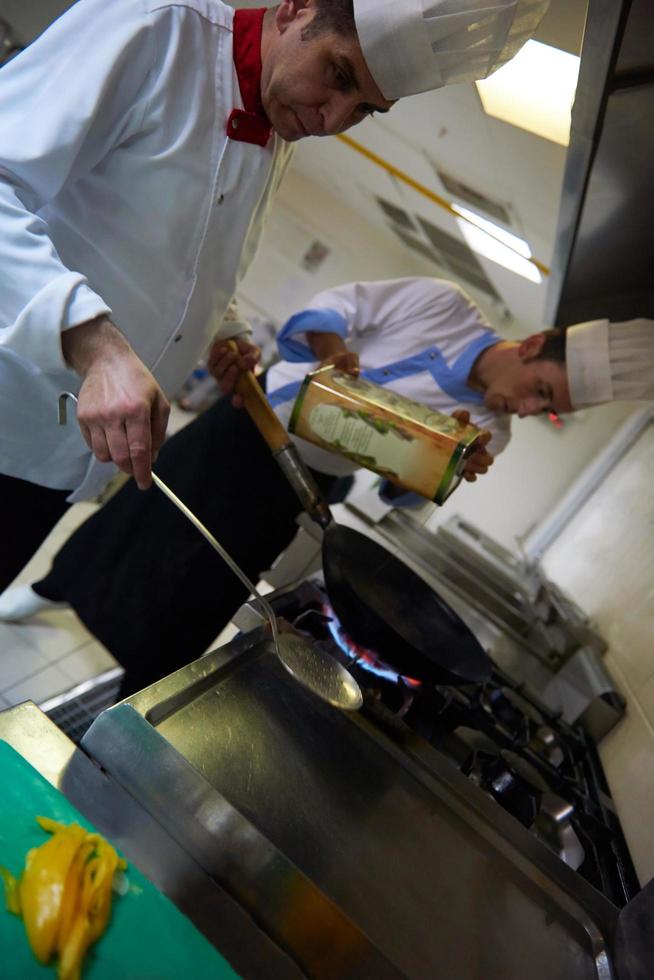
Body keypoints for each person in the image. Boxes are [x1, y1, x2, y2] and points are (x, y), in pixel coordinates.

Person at [0, 0, 549, 592]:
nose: (333, 119)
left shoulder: (277, 132)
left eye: (364, 109)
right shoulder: (158, 26)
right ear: (295, 8)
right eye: (340, 76)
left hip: (59, 460)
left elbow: (185, 263)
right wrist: (98, 348)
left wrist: (221, 326)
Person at [5, 277, 652, 700]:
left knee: (210, 579)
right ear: (534, 343)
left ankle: (137, 685)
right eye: (541, 390)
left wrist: (438, 466)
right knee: (143, 519)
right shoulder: (446, 306)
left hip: (302, 480)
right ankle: (49, 590)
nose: (530, 408)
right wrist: (335, 348)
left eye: (547, 410)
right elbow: (341, 307)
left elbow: (398, 499)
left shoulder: (488, 434)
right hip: (253, 420)